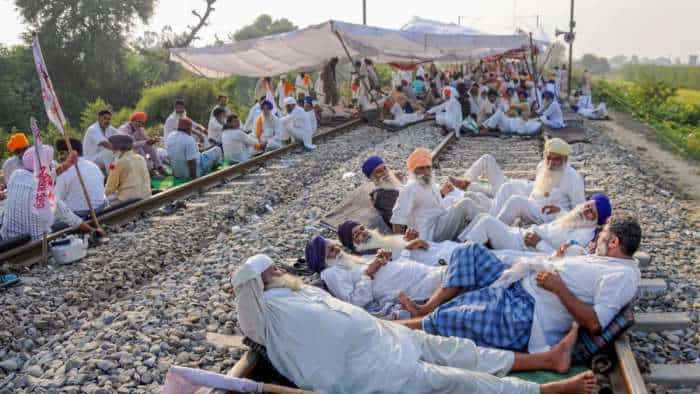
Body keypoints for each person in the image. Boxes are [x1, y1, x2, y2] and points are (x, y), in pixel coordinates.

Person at [234, 254, 597, 394]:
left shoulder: (297, 292)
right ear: (258, 286)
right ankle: (544, 391)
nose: (281, 271)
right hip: (369, 370)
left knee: (460, 351)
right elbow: (250, 320)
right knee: (455, 380)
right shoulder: (268, 315)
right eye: (272, 272)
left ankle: (546, 360)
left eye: (277, 266)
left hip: (383, 338)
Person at [396, 215, 641, 356]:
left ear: (614, 242)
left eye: (602, 236)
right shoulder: (606, 260)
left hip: (526, 311)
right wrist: (561, 256)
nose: (597, 239)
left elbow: (595, 324)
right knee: (468, 253)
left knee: (454, 316)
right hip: (518, 284)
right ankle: (426, 308)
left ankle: (391, 328)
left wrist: (559, 288)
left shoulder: (622, 277)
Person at [1, 145, 104, 240]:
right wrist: (93, 230)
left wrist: (64, 167)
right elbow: (69, 217)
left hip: (6, 235)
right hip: (35, 241)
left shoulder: (16, 175)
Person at [391, 148, 487, 242]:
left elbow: (433, 205)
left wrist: (443, 194)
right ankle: (488, 225)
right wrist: (402, 250)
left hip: (439, 222)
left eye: (428, 167)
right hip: (430, 234)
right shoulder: (410, 188)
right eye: (421, 168)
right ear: (413, 170)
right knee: (465, 203)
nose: (425, 172)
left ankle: (484, 227)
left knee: (468, 195)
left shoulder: (430, 184)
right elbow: (397, 220)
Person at [460, 194, 612, 254]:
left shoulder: (583, 236)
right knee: (482, 216)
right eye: (587, 205)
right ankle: (458, 245)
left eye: (591, 212)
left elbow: (562, 261)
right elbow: (569, 221)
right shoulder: (579, 220)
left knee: (487, 222)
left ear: (596, 221)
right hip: (519, 235)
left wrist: (538, 243)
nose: (586, 210)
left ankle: (457, 256)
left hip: (523, 247)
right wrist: (559, 210)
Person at [496, 138, 585, 226]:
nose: (551, 163)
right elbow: (536, 190)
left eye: (556, 159)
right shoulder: (542, 165)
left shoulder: (573, 177)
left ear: (565, 159)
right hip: (535, 203)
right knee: (507, 187)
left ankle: (495, 231)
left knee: (516, 201)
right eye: (548, 158)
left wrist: (561, 213)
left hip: (550, 215)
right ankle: (492, 220)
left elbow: (579, 208)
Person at [54, 138, 108, 217]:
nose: (60, 157)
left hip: (80, 215)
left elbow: (56, 200)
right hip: (100, 208)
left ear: (72, 153)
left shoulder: (64, 171)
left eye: (62, 153)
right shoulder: (93, 165)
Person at [119, 112, 168, 178]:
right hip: (122, 152)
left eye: (142, 123)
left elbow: (146, 140)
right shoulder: (124, 129)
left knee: (150, 147)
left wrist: (153, 140)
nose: (140, 124)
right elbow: (131, 145)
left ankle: (159, 167)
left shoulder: (140, 129)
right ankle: (149, 171)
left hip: (132, 150)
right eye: (138, 122)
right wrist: (145, 142)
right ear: (132, 120)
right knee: (139, 148)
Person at [104, 134, 151, 202]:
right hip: (146, 197)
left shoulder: (118, 163)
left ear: (116, 147)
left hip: (128, 201)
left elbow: (110, 188)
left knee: (103, 202)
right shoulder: (140, 158)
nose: (111, 151)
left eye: (110, 148)